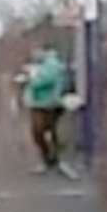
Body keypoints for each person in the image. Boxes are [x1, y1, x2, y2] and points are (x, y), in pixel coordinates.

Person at [21, 44, 72, 173]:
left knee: (40, 131)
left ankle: (52, 159)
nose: (34, 54)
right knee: (45, 132)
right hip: (42, 102)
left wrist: (30, 77)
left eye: (36, 51)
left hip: (46, 103)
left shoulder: (52, 64)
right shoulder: (45, 64)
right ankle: (51, 158)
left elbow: (44, 80)